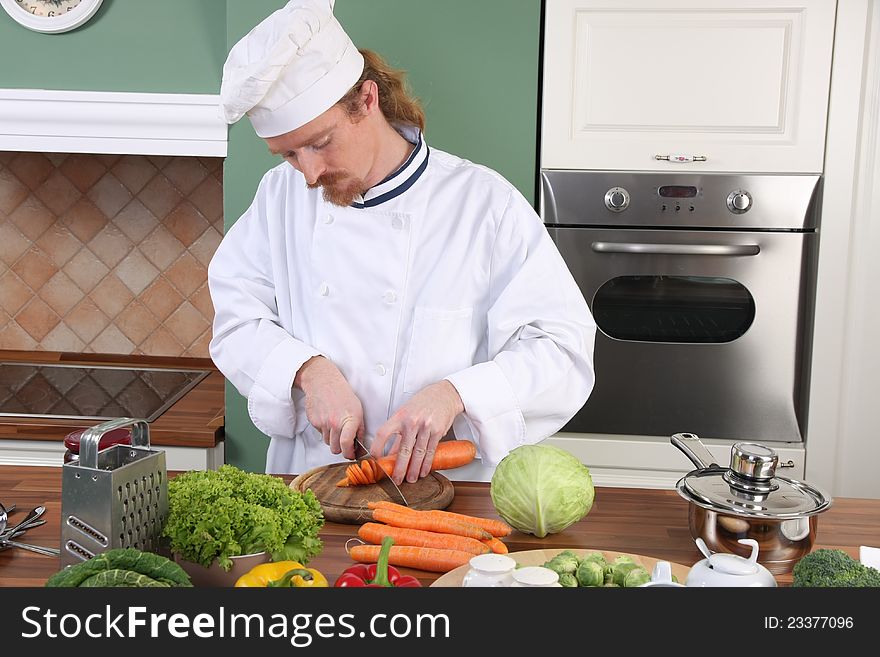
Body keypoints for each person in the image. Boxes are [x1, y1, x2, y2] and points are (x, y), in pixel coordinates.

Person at [209, 0, 596, 485]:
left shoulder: (483, 204)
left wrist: (456, 393)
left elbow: (561, 348)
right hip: (311, 486)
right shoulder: (277, 197)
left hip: (448, 491)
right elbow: (236, 321)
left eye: (320, 143)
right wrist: (307, 370)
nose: (308, 174)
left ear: (366, 101)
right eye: (287, 154)